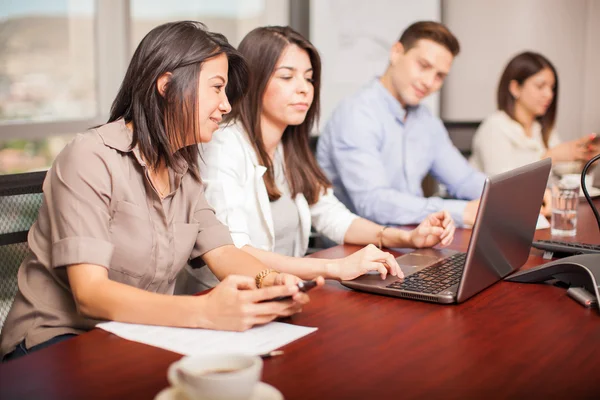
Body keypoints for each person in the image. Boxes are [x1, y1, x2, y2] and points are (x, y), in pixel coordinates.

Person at [0, 21, 320, 362]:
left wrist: (270, 281)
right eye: (217, 88)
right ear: (167, 86)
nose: (226, 106)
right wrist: (205, 312)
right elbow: (90, 294)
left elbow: (223, 252)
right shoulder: (90, 157)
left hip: (136, 334)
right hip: (55, 344)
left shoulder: (184, 169)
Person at [189, 26, 455, 291]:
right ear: (254, 80)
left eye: (309, 78)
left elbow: (330, 214)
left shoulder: (288, 146)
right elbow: (235, 251)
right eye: (287, 77)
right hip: (225, 296)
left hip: (282, 291)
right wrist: (334, 268)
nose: (304, 89)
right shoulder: (223, 145)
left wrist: (407, 237)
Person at [316, 21, 486, 228]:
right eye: (423, 66)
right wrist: (460, 212)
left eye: (439, 76)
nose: (429, 82)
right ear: (396, 52)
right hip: (357, 250)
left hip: (414, 240)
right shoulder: (357, 114)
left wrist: (514, 199)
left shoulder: (426, 121)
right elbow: (373, 203)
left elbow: (463, 180)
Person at [470, 51, 599, 177]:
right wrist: (550, 156)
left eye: (552, 88)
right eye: (540, 86)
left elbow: (561, 171)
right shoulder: (494, 128)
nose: (549, 95)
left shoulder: (540, 127)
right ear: (515, 88)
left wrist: (588, 161)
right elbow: (503, 186)